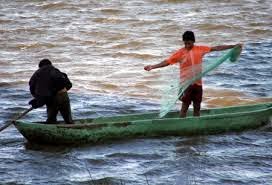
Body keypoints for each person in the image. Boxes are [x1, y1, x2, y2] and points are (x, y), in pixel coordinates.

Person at [144, 31, 242, 117]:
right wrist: (152, 66)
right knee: (185, 106)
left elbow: (216, 48)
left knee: (197, 107)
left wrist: (233, 46)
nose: (187, 45)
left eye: (189, 43)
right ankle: (181, 125)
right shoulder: (180, 53)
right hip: (185, 84)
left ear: (193, 41)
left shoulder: (200, 49)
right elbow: (167, 62)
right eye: (185, 43)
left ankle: (196, 126)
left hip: (198, 83)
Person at [29, 59, 74, 124]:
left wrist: (38, 100)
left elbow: (32, 87)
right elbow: (69, 85)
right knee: (68, 119)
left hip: (52, 98)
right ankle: (70, 126)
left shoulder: (37, 74)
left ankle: (51, 128)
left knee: (51, 120)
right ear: (50, 64)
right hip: (63, 94)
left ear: (40, 66)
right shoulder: (56, 71)